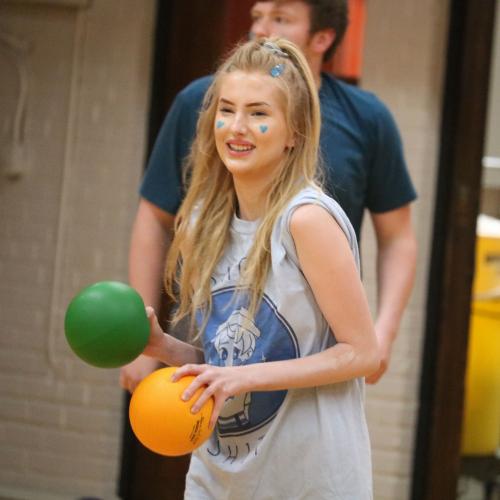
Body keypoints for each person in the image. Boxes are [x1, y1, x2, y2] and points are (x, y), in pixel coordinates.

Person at [120, 0, 417, 393]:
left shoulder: (308, 215)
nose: (261, 29)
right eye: (257, 16)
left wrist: (381, 336)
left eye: (280, 18)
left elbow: (397, 239)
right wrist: (150, 344)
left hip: (311, 360)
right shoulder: (209, 204)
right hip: (226, 378)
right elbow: (155, 217)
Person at [141, 37, 379, 499]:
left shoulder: (306, 220)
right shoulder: (201, 223)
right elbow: (229, 366)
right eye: (227, 110)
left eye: (259, 113)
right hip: (218, 479)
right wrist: (163, 347)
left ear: (294, 133)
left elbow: (362, 353)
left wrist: (242, 378)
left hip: (310, 480)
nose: (237, 127)